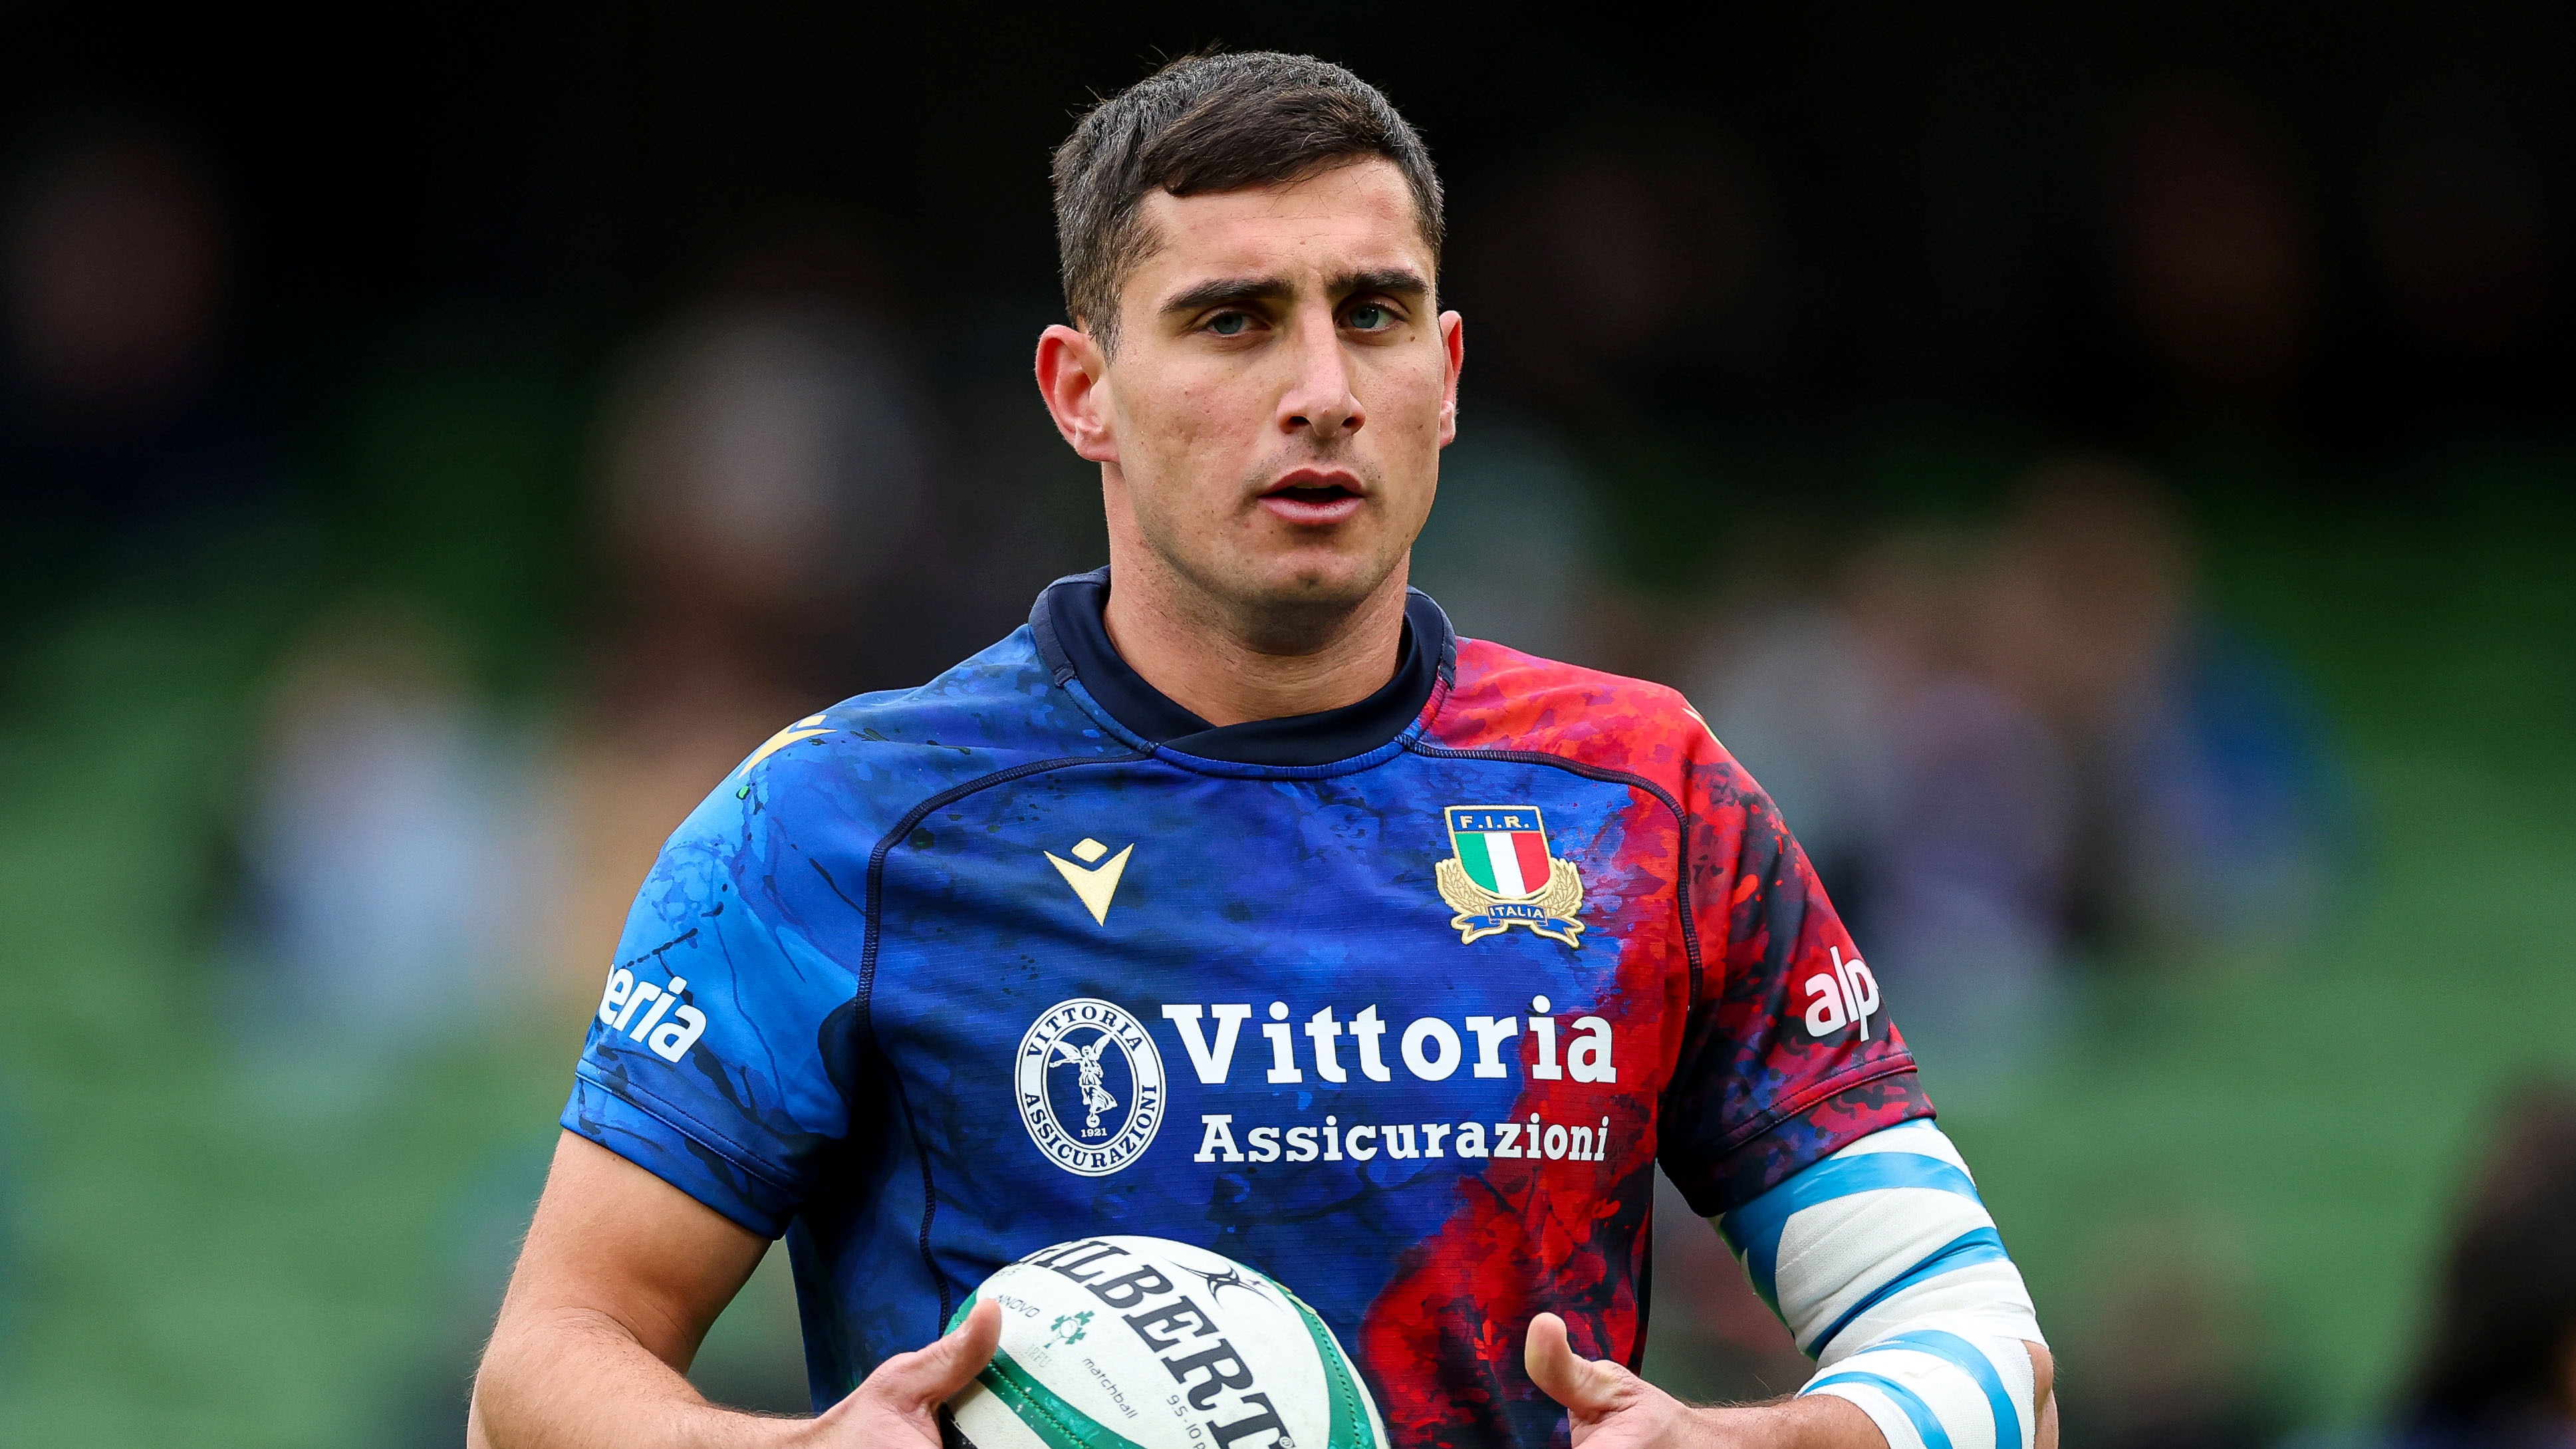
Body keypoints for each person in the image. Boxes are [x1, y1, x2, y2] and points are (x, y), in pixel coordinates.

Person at [469, 53, 2055, 1449]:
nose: (1318, 391)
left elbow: (1981, 1350)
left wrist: (1778, 1442)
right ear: (1080, 391)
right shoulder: (834, 824)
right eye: (1230, 320)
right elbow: (538, 1374)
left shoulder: (1644, 796)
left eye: (1369, 315)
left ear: (1440, 379)